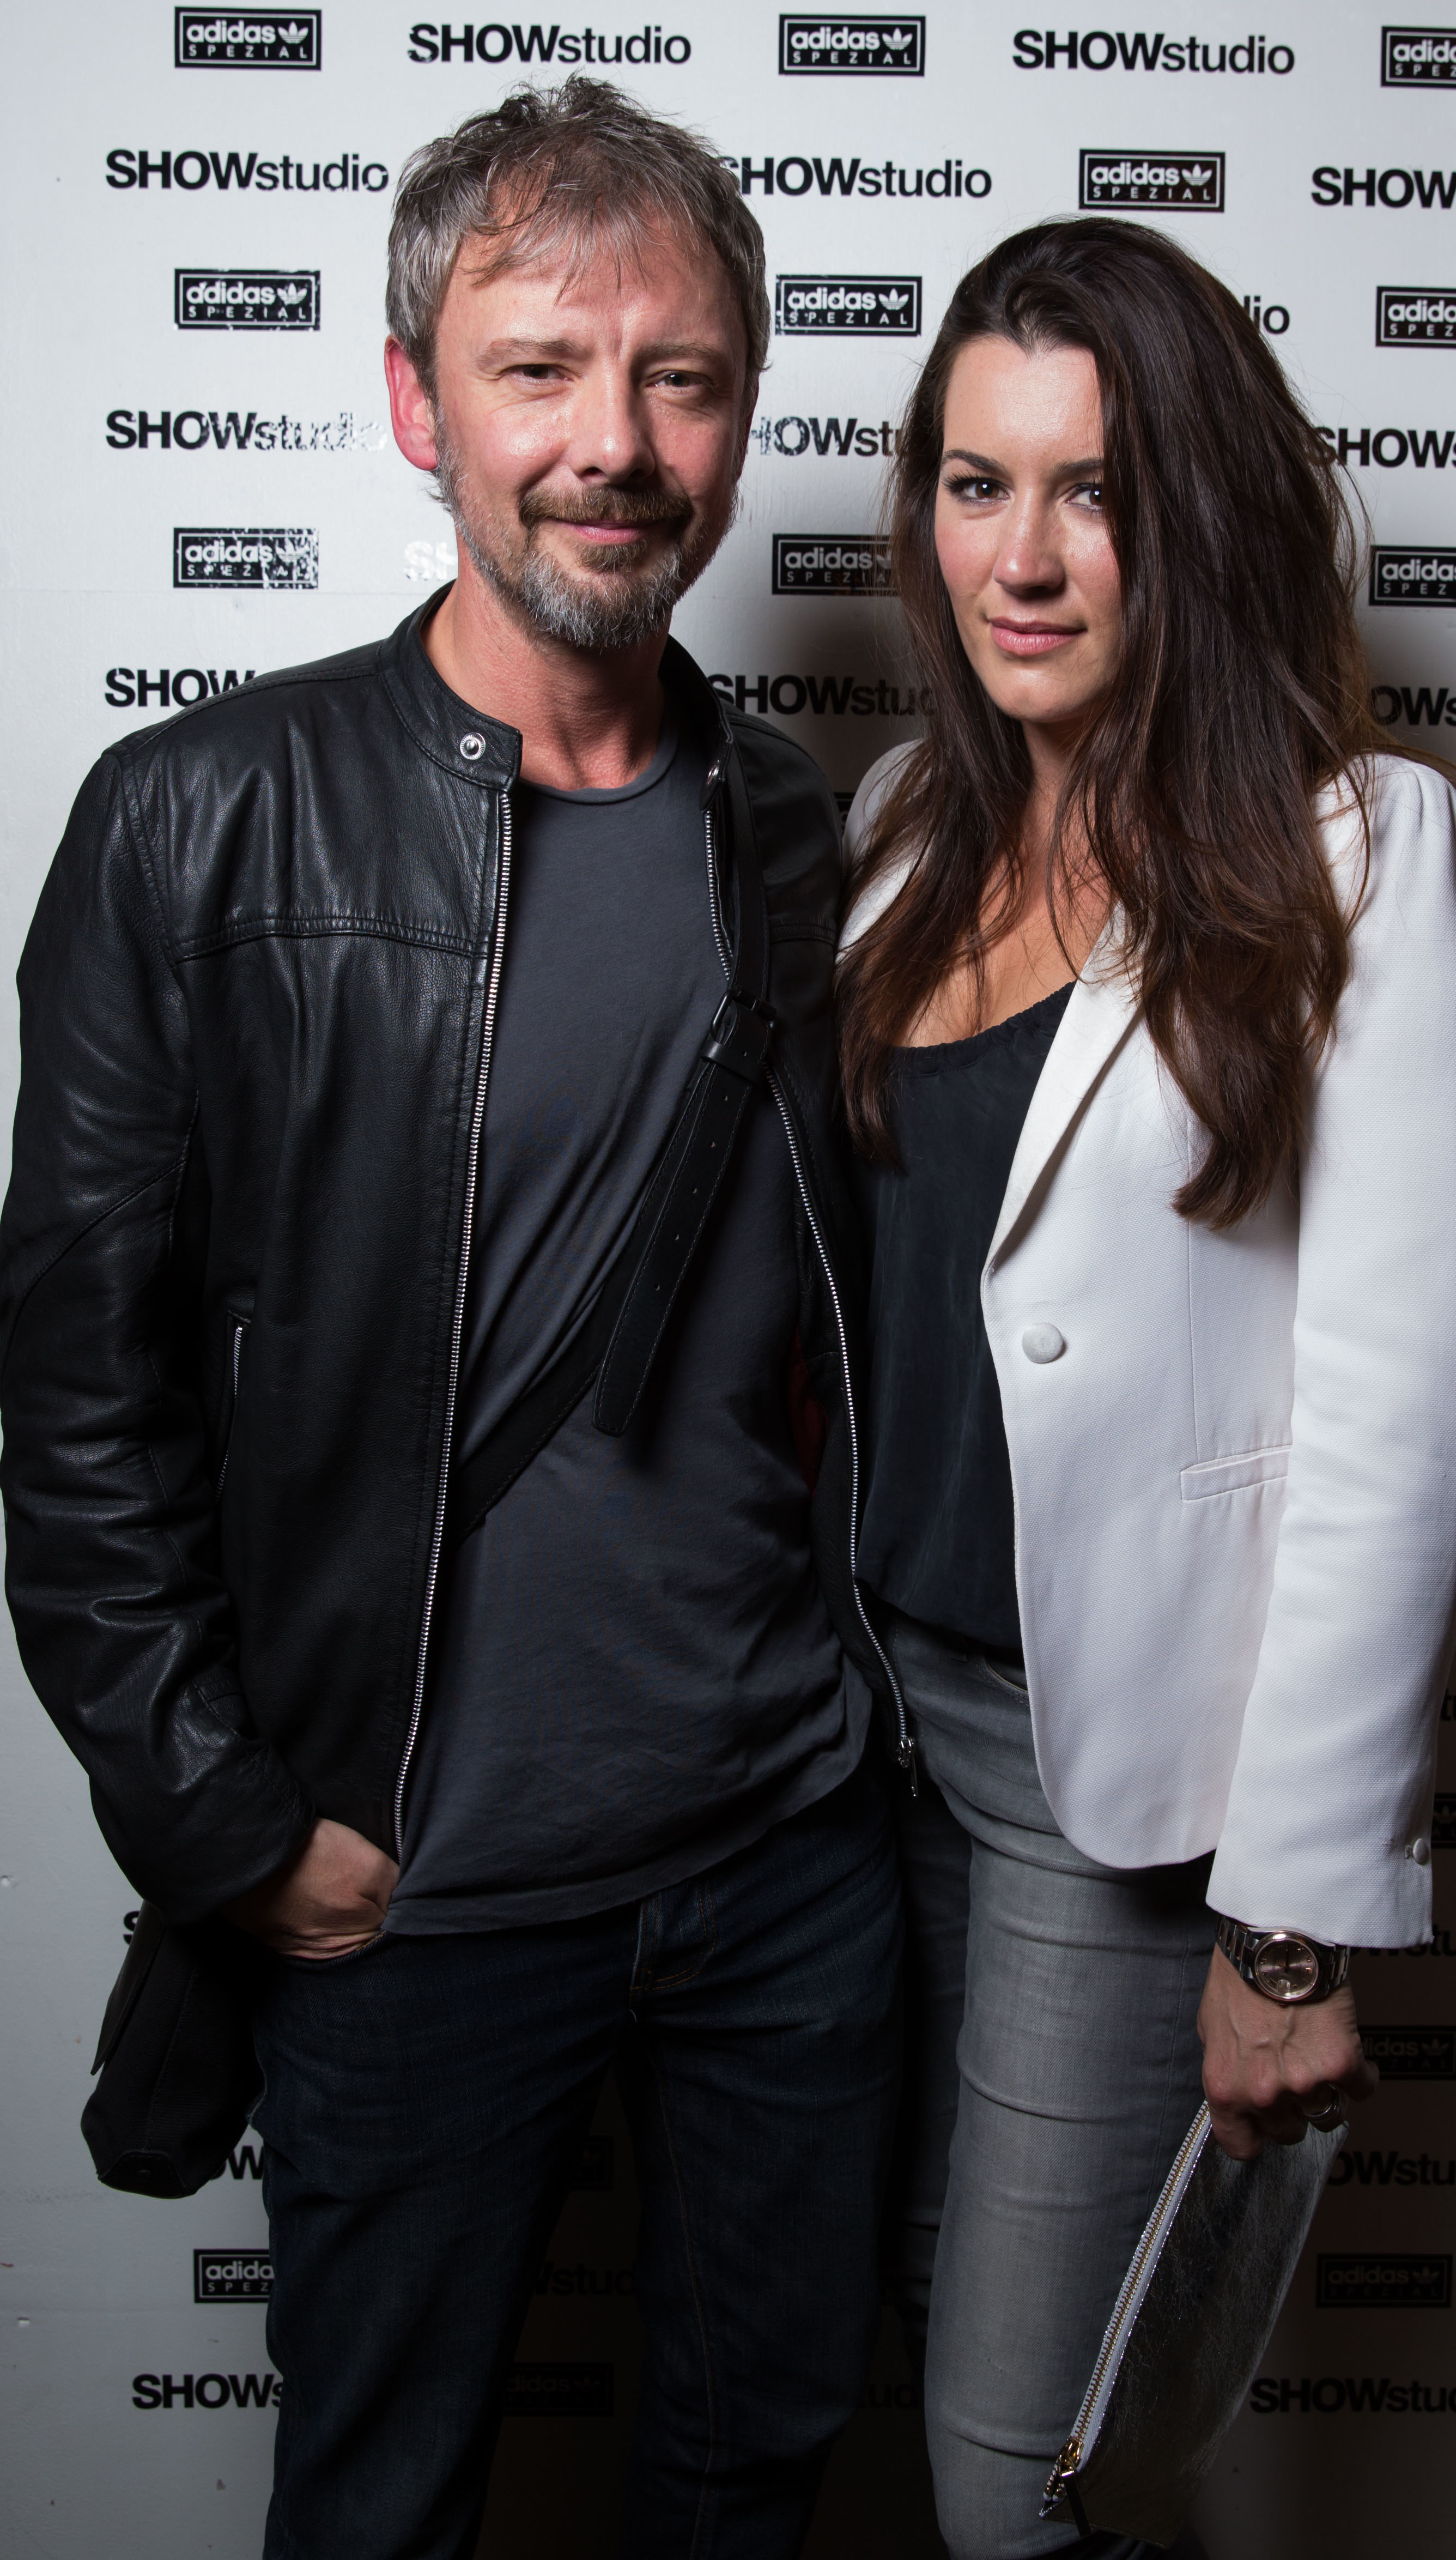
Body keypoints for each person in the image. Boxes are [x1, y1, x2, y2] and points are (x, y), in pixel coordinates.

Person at [0, 79, 904, 2559]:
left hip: (787, 1855)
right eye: (539, 369)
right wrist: (224, 1820)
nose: (615, 442)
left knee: (753, 2475)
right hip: (408, 1892)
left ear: (739, 417)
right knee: (382, 2508)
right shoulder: (201, 818)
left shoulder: (801, 832)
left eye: (681, 377)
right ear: (418, 403)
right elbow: (76, 1402)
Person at [838, 219, 1456, 2559]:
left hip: (1104, 1783)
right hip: (857, 1736)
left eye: (1092, 492)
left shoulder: (1360, 855)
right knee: (909, 2335)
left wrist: (1286, 1924)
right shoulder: (900, 834)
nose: (1018, 557)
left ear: (1198, 513)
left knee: (1014, 2475)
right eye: (974, 482)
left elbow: (1389, 1432)